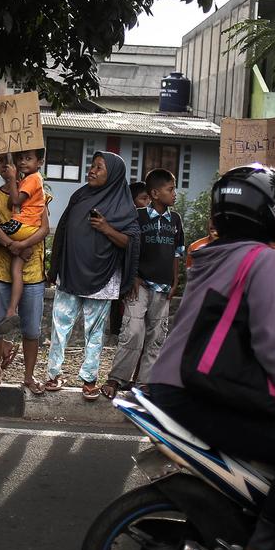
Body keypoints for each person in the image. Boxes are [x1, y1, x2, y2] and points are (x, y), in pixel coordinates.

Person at [149, 164, 275, 550]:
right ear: (270, 211)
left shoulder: (214, 251)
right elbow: (272, 341)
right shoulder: (261, 258)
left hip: (171, 382)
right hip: (195, 388)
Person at [44, 151, 140, 399]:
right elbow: (63, 231)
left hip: (103, 277)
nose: (92, 171)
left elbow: (131, 242)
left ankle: (89, 379)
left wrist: (107, 229)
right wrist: (55, 267)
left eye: (99, 167)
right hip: (71, 273)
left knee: (95, 332)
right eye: (92, 166)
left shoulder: (124, 205)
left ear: (113, 174)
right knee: (59, 326)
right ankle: (53, 374)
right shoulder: (80, 196)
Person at [105, 169, 183, 398]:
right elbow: (128, 248)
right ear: (155, 194)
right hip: (140, 285)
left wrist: (175, 279)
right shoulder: (137, 216)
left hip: (163, 287)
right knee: (133, 331)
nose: (175, 194)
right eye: (171, 189)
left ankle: (145, 383)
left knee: (157, 336)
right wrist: (132, 276)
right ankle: (117, 378)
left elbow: (177, 252)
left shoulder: (175, 220)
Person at [0, 153, 50, 395]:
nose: (7, 166)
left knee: (31, 330)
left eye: (12, 161)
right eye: (2, 161)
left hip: (32, 271)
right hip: (1, 270)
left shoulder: (37, 191)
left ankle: (29, 376)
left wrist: (23, 244)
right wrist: (13, 246)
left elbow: (44, 228)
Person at [0, 149, 47, 338]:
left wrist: (17, 245)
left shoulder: (31, 180)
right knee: (16, 270)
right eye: (20, 159)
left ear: (39, 162)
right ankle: (11, 311)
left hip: (22, 228)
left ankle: (11, 310)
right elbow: (12, 204)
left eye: (27, 159)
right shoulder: (28, 182)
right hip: (27, 232)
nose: (22, 162)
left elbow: (13, 201)